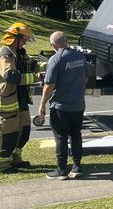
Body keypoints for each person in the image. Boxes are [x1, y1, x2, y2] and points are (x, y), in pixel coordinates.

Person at [0, 22, 41, 174]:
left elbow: (31, 65)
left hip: (19, 100)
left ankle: (15, 159)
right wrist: (37, 77)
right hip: (5, 103)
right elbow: (10, 76)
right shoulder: (4, 54)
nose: (25, 42)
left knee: (23, 132)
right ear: (15, 38)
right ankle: (0, 165)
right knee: (7, 135)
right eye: (24, 39)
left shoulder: (18, 53)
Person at [38, 31, 88, 180]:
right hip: (78, 105)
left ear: (53, 45)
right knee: (76, 135)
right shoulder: (80, 56)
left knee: (61, 137)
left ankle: (61, 169)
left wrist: (42, 104)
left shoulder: (55, 59)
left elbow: (49, 85)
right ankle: (77, 166)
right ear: (66, 41)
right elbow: (85, 78)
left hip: (61, 107)